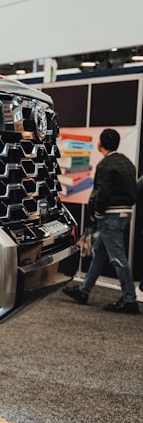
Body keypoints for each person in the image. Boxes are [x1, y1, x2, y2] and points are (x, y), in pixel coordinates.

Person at [63, 128, 139, 313]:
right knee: (101, 253)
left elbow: (102, 192)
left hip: (110, 215)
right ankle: (83, 290)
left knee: (117, 257)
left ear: (100, 144)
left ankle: (130, 300)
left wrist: (95, 212)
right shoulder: (127, 163)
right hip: (124, 212)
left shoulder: (106, 165)